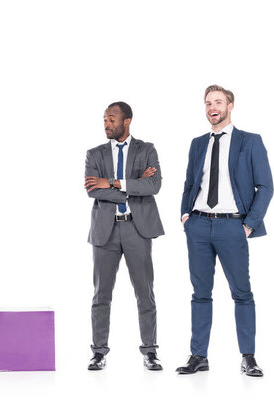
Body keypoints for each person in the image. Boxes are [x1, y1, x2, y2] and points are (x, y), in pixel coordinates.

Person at [176, 85, 273, 377]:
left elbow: (266, 187)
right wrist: (185, 216)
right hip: (198, 225)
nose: (211, 107)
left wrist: (248, 225)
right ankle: (198, 356)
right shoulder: (197, 143)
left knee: (242, 293)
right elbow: (190, 184)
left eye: (217, 102)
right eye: (207, 103)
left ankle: (248, 357)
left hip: (233, 226)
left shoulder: (250, 141)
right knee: (200, 293)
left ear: (230, 105)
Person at [84, 101, 165, 371]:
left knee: (145, 293)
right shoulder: (94, 154)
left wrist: (114, 182)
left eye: (111, 119)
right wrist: (133, 186)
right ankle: (98, 352)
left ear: (126, 121)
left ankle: (150, 351)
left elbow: (153, 185)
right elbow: (93, 190)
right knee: (101, 295)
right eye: (104, 120)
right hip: (105, 231)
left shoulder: (147, 150)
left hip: (137, 229)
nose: (106, 124)